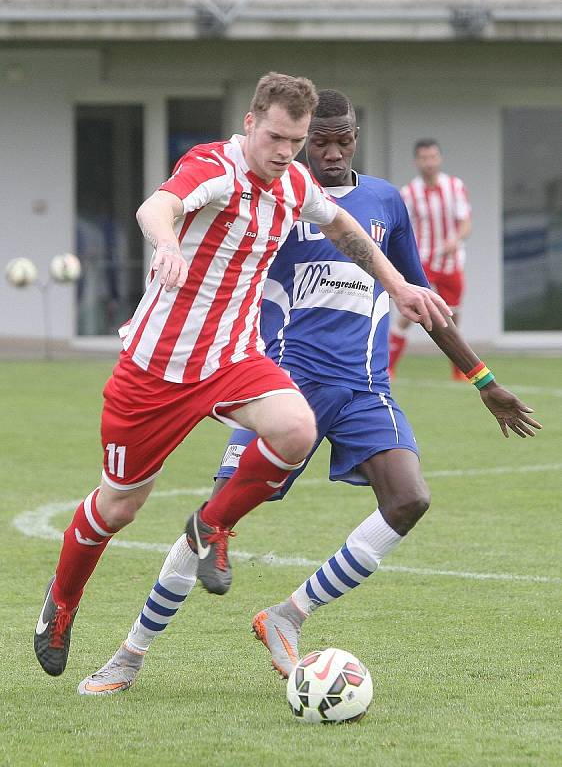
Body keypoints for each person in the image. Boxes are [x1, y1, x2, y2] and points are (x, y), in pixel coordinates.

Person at [75, 90, 540, 695]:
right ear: (294, 143)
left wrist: (484, 381)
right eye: (316, 140)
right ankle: (129, 655)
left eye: (341, 137)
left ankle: (287, 617)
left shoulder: (383, 203)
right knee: (210, 527)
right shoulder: (279, 199)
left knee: (408, 501)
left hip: (364, 390)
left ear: (355, 135)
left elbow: (418, 298)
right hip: (281, 389)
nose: (330, 150)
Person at [389, 138, 472, 380]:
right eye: (424, 158)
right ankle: (389, 365)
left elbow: (466, 222)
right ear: (417, 161)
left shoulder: (454, 187)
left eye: (433, 157)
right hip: (422, 261)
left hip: (451, 262)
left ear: (440, 158)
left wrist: (455, 239)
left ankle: (459, 370)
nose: (429, 163)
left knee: (452, 314)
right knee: (411, 310)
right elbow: (402, 227)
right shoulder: (409, 192)